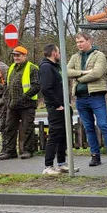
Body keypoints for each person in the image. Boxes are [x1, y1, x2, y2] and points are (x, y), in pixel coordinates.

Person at [66, 31, 107, 167]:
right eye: (77, 42)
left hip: (96, 96)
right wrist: (83, 72)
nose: (79, 44)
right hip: (80, 98)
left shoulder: (99, 55)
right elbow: (66, 71)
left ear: (89, 40)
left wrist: (78, 78)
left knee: (103, 125)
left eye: (81, 41)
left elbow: (97, 73)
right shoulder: (75, 57)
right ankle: (95, 156)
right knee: (88, 128)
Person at [38, 44, 74, 176]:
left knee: (63, 135)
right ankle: (48, 166)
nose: (59, 54)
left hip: (63, 106)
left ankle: (61, 163)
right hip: (55, 108)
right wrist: (58, 104)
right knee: (54, 136)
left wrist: (67, 103)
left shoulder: (55, 67)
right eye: (58, 52)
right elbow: (46, 88)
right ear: (54, 53)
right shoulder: (46, 67)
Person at [1, 45, 40, 160]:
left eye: (18, 55)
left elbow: (36, 86)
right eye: (14, 55)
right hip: (12, 105)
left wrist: (24, 97)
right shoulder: (11, 68)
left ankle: (28, 150)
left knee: (27, 128)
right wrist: (7, 99)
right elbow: (6, 85)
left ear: (24, 56)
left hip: (27, 105)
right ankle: (10, 151)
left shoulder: (32, 68)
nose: (16, 58)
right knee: (9, 128)